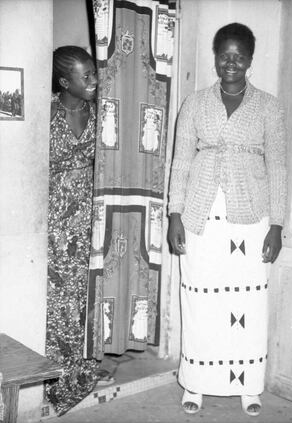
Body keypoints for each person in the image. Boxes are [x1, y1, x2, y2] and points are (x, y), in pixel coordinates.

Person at [167, 23, 287, 417]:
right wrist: (175, 214)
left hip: (250, 215)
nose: (231, 62)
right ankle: (197, 384)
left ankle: (247, 386)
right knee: (200, 298)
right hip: (202, 214)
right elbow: (181, 161)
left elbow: (280, 167)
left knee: (247, 300)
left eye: (239, 55)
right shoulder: (195, 103)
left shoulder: (269, 106)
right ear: (215, 57)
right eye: (225, 55)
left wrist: (277, 225)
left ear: (250, 60)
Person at [45, 45, 112, 416]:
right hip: (54, 223)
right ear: (63, 82)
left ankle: (83, 373)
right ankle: (55, 381)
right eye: (85, 76)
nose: (94, 80)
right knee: (57, 305)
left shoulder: (101, 113)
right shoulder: (47, 113)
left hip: (89, 217)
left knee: (86, 297)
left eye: (93, 73)